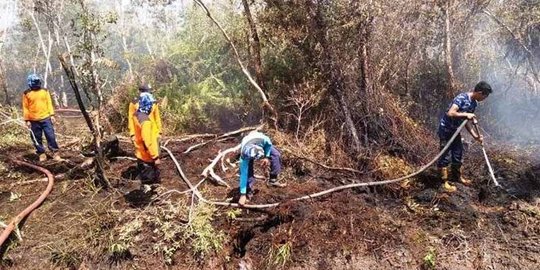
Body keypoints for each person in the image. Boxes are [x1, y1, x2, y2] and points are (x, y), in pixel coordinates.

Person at [437, 81, 492, 192]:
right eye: (484, 96)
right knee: (445, 154)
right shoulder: (462, 98)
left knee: (458, 153)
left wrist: (476, 136)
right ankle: (443, 183)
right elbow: (451, 113)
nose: (484, 99)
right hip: (446, 130)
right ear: (480, 92)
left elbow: (466, 122)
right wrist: (466, 114)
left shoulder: (474, 103)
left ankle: (457, 177)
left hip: (455, 131)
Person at [238, 131, 286, 205]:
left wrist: (266, 157)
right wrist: (242, 194)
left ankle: (273, 180)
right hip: (248, 146)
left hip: (261, 144)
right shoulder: (244, 155)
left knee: (276, 155)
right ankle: (248, 190)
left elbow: (268, 145)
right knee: (248, 170)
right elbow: (243, 174)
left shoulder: (264, 139)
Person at [22, 74, 61, 162]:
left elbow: (49, 103)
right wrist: (27, 120)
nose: (36, 83)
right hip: (33, 120)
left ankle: (55, 152)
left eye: (37, 81)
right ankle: (41, 154)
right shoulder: (26, 93)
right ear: (30, 83)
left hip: (46, 118)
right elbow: (25, 107)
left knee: (51, 136)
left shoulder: (45, 91)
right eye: (34, 82)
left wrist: (52, 115)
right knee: (36, 138)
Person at [131, 92, 161, 184]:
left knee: (145, 177)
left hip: (140, 154)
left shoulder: (137, 115)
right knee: (148, 180)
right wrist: (155, 157)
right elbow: (147, 142)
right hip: (147, 157)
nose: (153, 106)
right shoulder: (146, 122)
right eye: (151, 104)